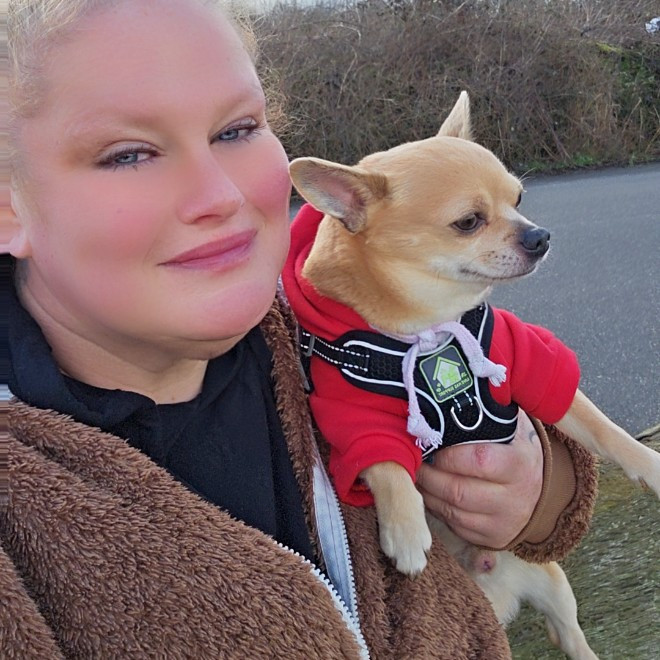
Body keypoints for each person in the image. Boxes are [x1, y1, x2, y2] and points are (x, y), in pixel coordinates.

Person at [1, 0, 597, 657]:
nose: (221, 195)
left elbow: (507, 403)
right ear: (8, 206)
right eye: (128, 155)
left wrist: (538, 491)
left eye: (236, 130)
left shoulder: (338, 329)